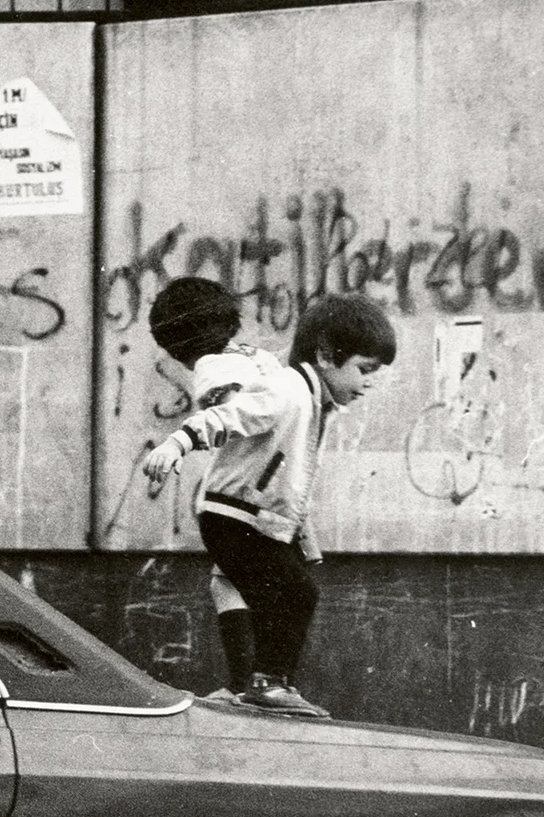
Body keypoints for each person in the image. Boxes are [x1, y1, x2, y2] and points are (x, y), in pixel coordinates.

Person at [143, 293, 397, 717]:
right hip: (235, 516)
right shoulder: (288, 391)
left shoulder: (311, 399)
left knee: (255, 588)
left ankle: (249, 684)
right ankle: (269, 684)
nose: (369, 383)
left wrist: (301, 531)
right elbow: (228, 416)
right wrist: (176, 444)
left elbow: (290, 477)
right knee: (295, 593)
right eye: (364, 369)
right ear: (326, 356)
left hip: (252, 516)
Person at [146, 277, 282, 701]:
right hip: (275, 490)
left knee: (232, 582)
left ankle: (250, 684)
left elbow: (231, 411)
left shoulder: (211, 367)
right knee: (239, 582)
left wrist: (180, 441)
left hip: (242, 495)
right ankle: (264, 682)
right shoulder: (258, 356)